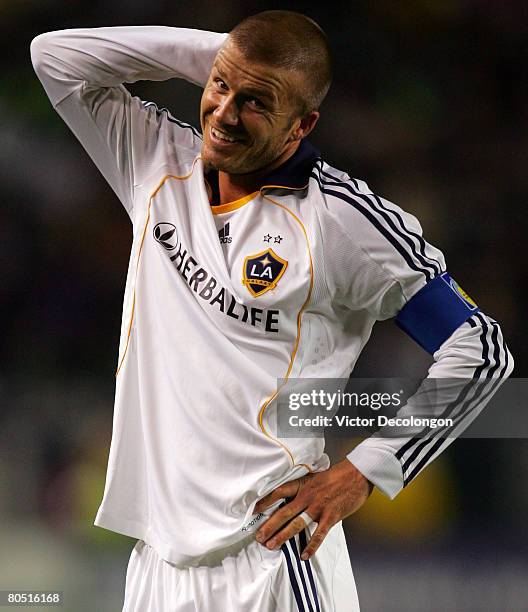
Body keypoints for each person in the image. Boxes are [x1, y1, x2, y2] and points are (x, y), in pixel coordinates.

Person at [30, 11, 513, 611]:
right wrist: (229, 56)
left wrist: (364, 471)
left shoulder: (342, 222)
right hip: (158, 563)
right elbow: (54, 56)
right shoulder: (155, 161)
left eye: (257, 101)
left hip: (270, 558)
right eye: (220, 86)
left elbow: (482, 350)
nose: (226, 113)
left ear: (302, 123)